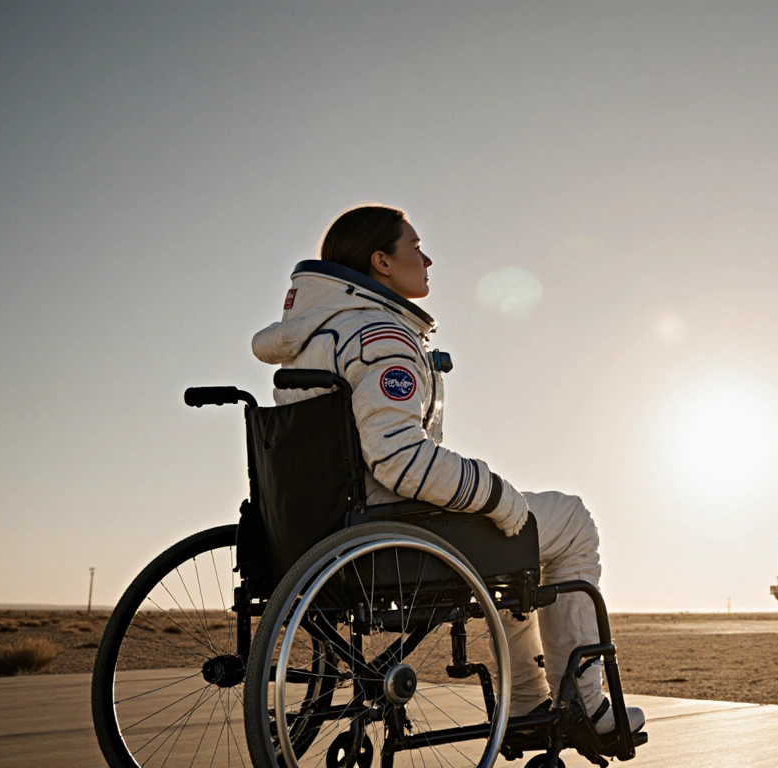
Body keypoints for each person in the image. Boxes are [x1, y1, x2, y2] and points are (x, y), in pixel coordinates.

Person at [251, 204, 643, 737]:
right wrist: (497, 495)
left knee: (517, 546)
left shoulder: (313, 339)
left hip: (320, 534)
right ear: (381, 262)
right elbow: (400, 460)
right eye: (415, 246)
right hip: (386, 534)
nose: (427, 257)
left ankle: (529, 700)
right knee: (567, 521)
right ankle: (583, 704)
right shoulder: (379, 337)